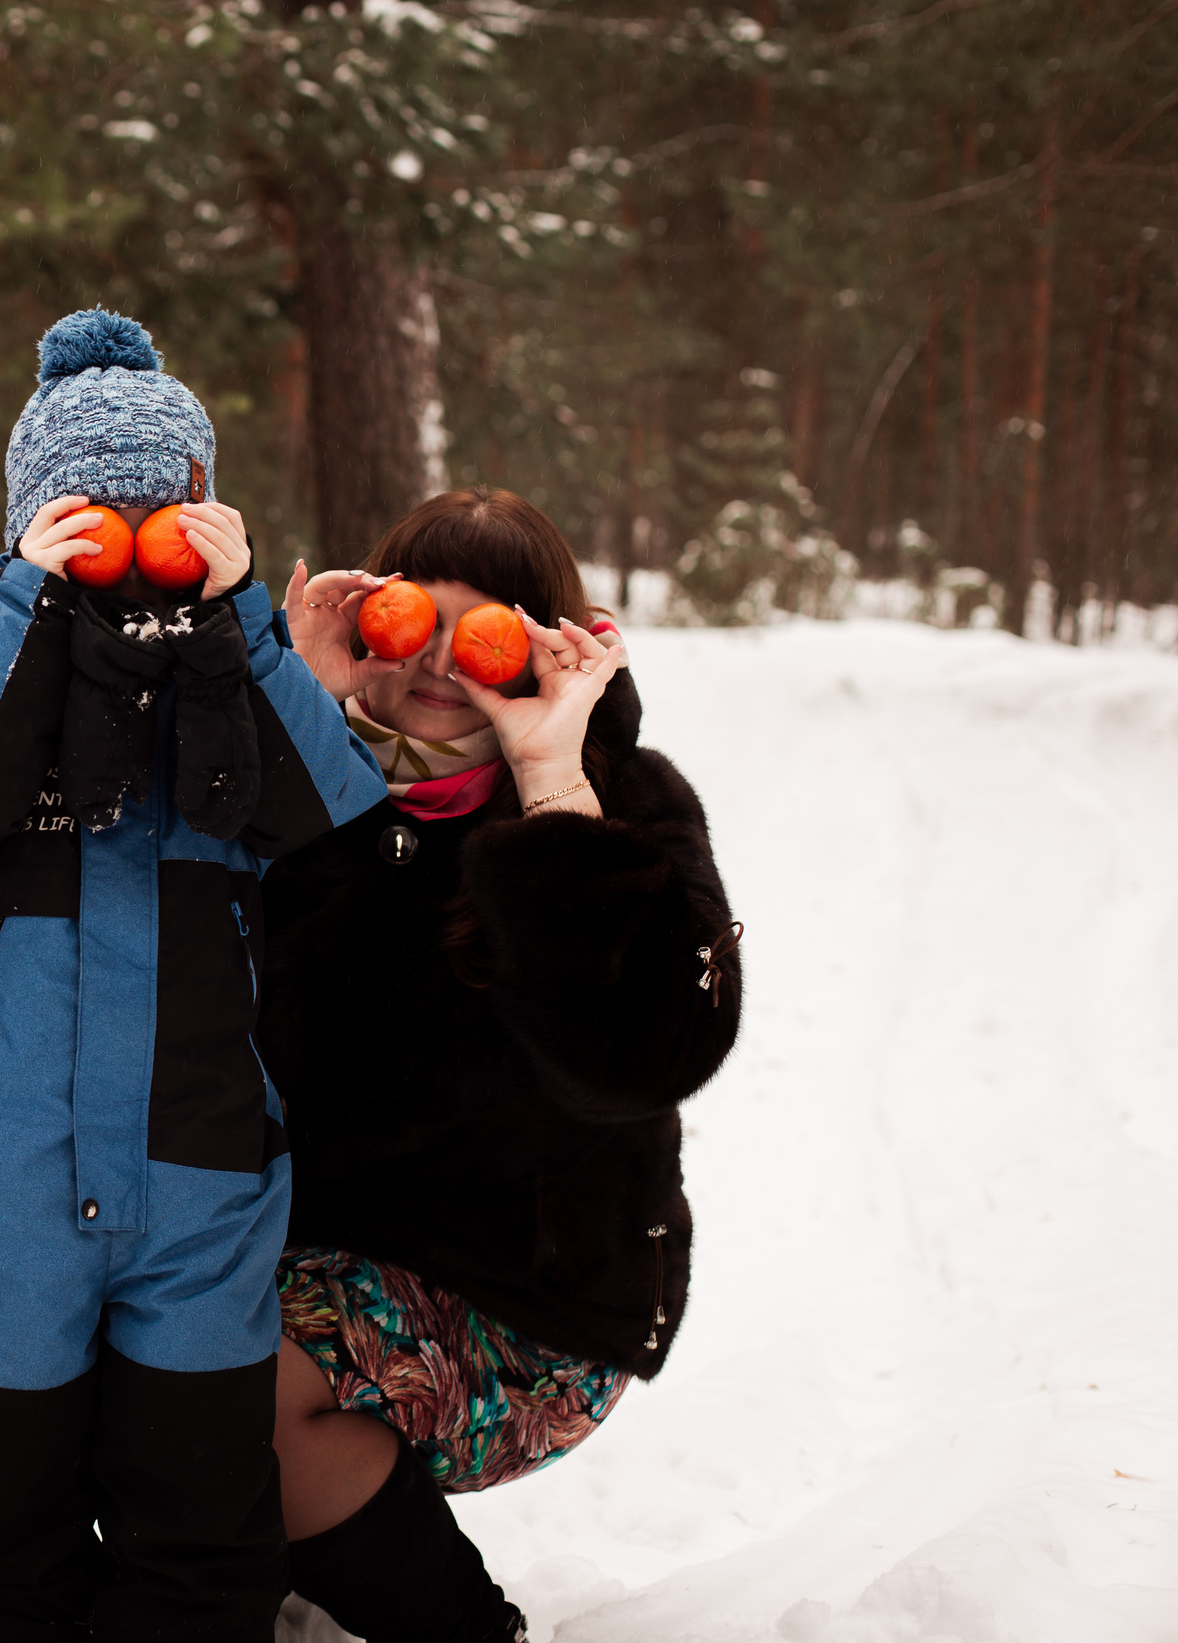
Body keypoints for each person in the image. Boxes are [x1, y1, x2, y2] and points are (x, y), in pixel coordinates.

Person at [0, 309, 391, 1641]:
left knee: (202, 1535)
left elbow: (326, 809)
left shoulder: (232, 683)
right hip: (5, 1186)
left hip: (200, 1183)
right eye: (83, 513)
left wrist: (244, 619)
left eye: (160, 509)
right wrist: (30, 610)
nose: (125, 536)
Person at [260, 485, 744, 1642]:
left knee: (239, 1388)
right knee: (67, 1350)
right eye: (408, 622)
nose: (436, 664)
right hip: (291, 1250)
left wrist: (551, 794)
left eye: (483, 639)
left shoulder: (619, 800)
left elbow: (631, 1066)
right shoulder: (293, 775)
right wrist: (290, 719)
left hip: (529, 1297)